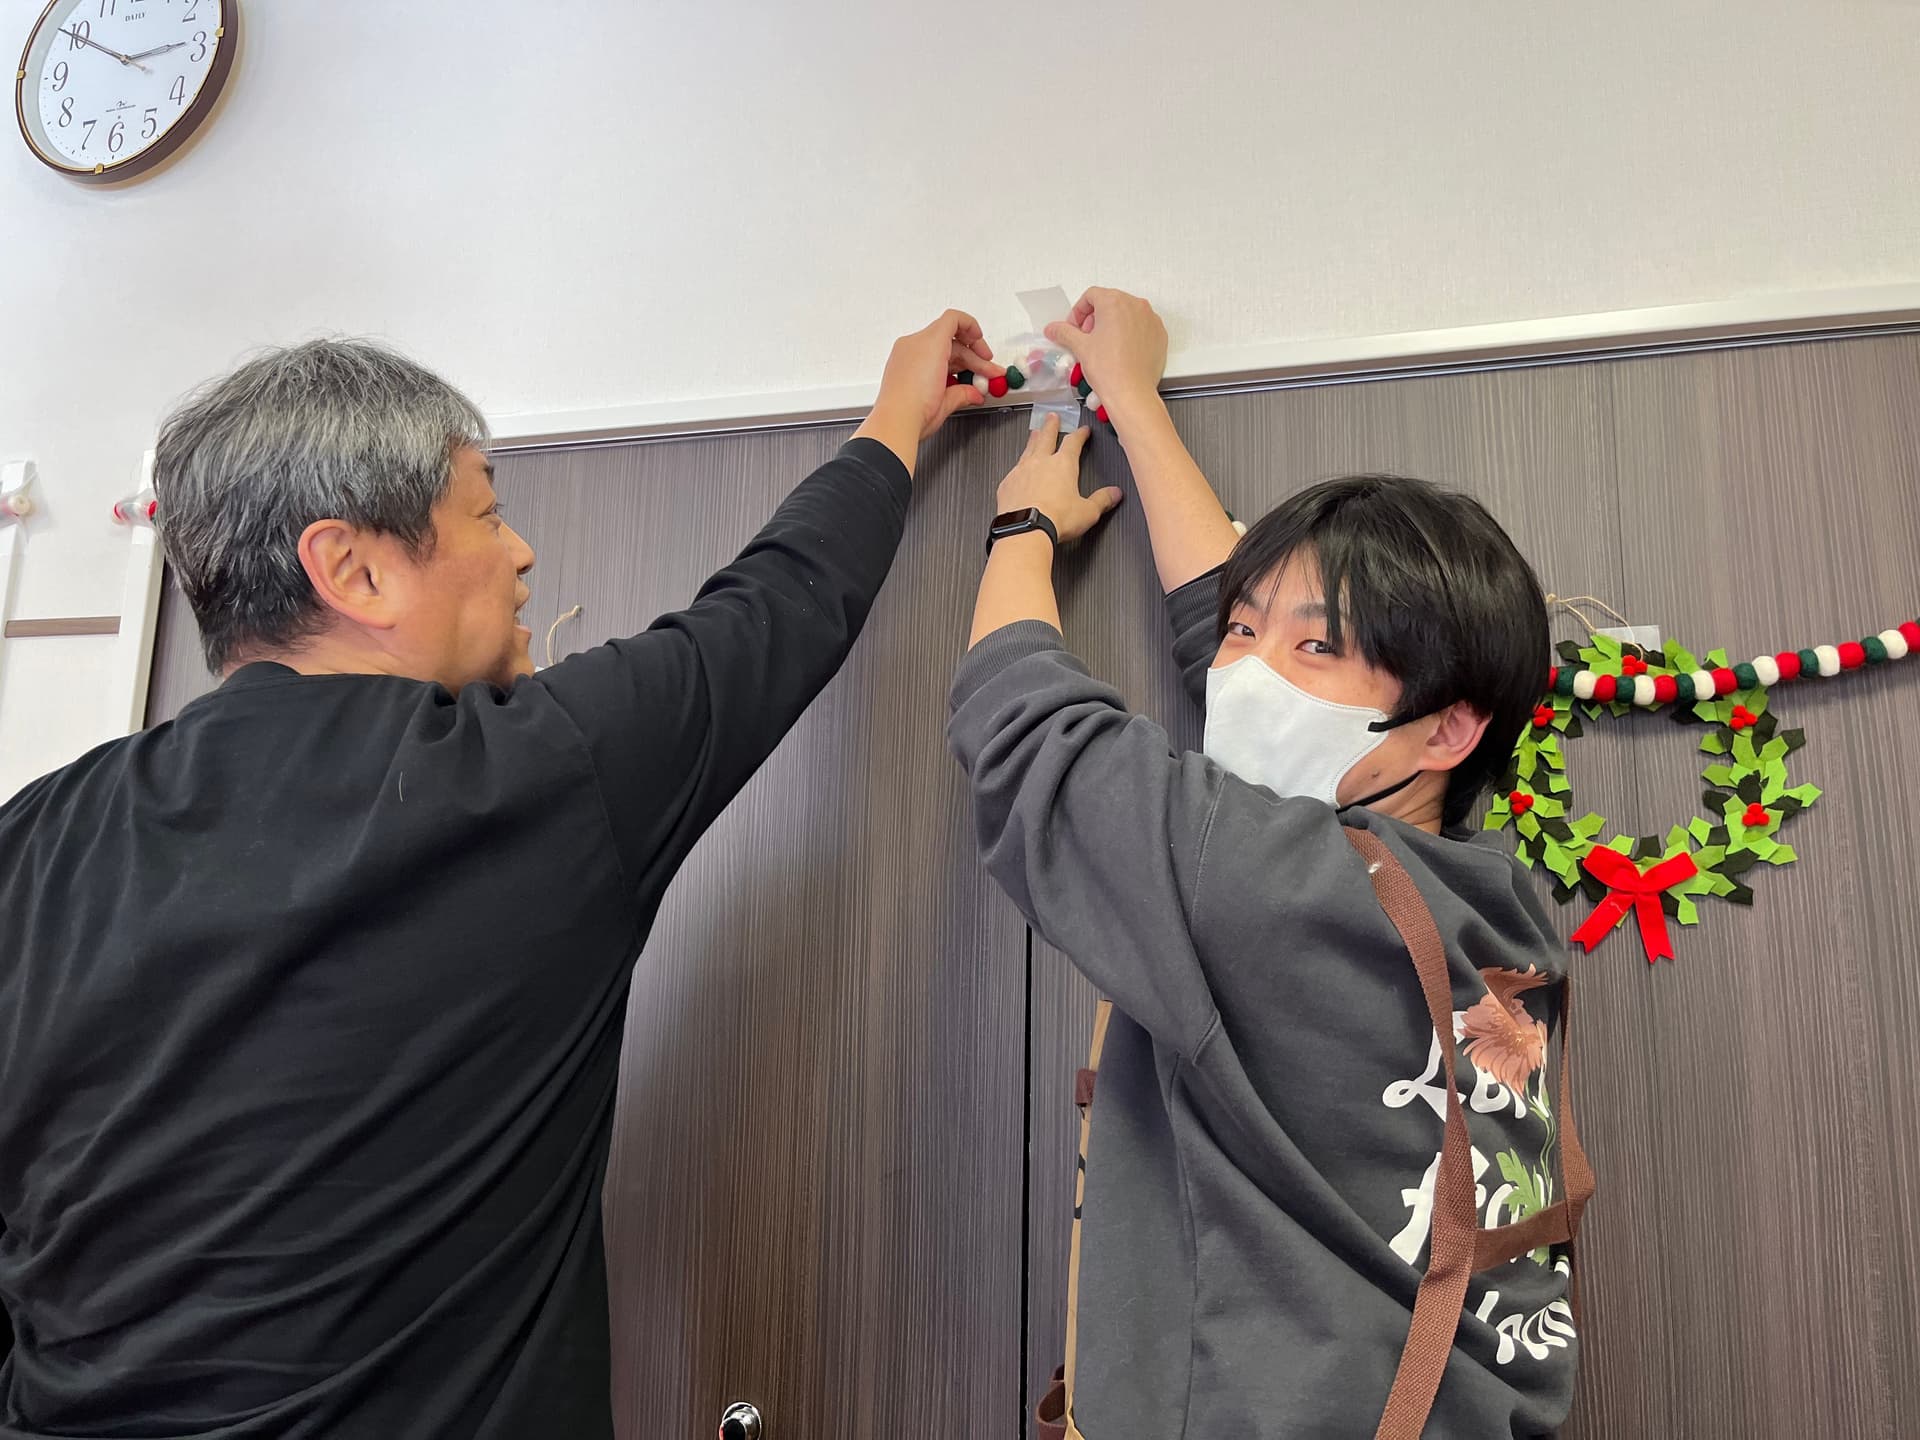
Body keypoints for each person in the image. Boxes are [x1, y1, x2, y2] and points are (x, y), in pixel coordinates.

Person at [0, 311, 1000, 1438]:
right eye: (486, 513)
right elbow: (776, 607)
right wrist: (895, 418)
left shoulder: (31, 840)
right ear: (353, 567)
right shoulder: (533, 774)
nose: (521, 554)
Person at [949, 288, 1587, 1438]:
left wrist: (1022, 530)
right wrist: (1136, 404)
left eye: (1312, 647)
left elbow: (1019, 725)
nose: (1242, 674)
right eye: (1246, 634)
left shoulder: (1257, 877)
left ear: (1450, 728)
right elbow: (1243, 650)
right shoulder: (1500, 913)